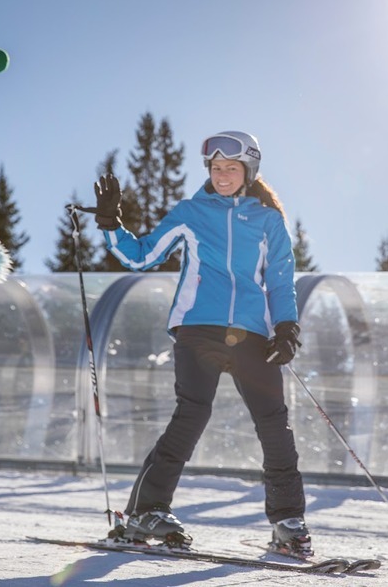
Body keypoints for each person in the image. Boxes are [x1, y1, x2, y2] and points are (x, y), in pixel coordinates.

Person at [87, 130, 311, 556]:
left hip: (252, 334)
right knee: (192, 413)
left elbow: (282, 282)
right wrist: (111, 223)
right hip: (198, 328)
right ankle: (147, 510)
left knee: (273, 422)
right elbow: (140, 256)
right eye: (215, 167)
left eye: (231, 167)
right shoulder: (191, 212)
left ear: (248, 171)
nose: (222, 174)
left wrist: (286, 329)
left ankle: (287, 519)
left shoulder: (267, 220)